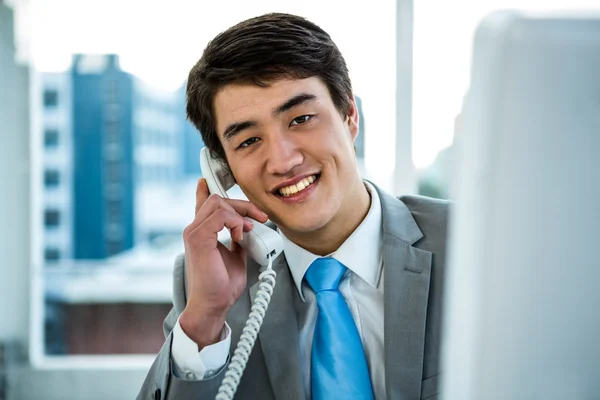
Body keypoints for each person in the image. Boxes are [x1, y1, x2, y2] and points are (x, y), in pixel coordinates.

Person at [138, 13, 448, 400]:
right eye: (249, 141)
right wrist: (205, 320)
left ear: (350, 116)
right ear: (224, 171)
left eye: (301, 118)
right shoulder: (205, 283)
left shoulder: (471, 242)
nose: (283, 161)